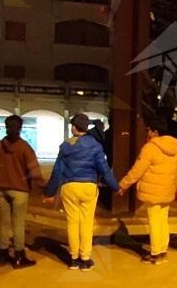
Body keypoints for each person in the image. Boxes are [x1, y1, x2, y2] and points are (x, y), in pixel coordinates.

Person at [44, 113, 121, 271]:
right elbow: (105, 171)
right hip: (88, 187)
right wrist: (116, 187)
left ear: (74, 127)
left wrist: (50, 193)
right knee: (86, 223)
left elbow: (57, 171)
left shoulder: (66, 145)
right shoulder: (95, 146)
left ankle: (73, 258)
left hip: (69, 187)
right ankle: (85, 258)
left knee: (73, 222)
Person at [118, 116, 177, 265]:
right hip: (167, 190)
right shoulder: (175, 148)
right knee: (163, 221)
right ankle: (163, 251)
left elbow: (137, 170)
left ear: (155, 132)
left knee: (154, 221)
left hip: (152, 192)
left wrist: (123, 185)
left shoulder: (150, 147)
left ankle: (155, 253)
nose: (148, 133)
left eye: (150, 131)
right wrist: (174, 187)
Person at [0, 115, 44, 268]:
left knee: (4, 221)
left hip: (0, 189)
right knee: (18, 223)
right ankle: (19, 255)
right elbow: (34, 171)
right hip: (19, 189)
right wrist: (44, 187)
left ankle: (2, 253)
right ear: (20, 128)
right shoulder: (24, 147)